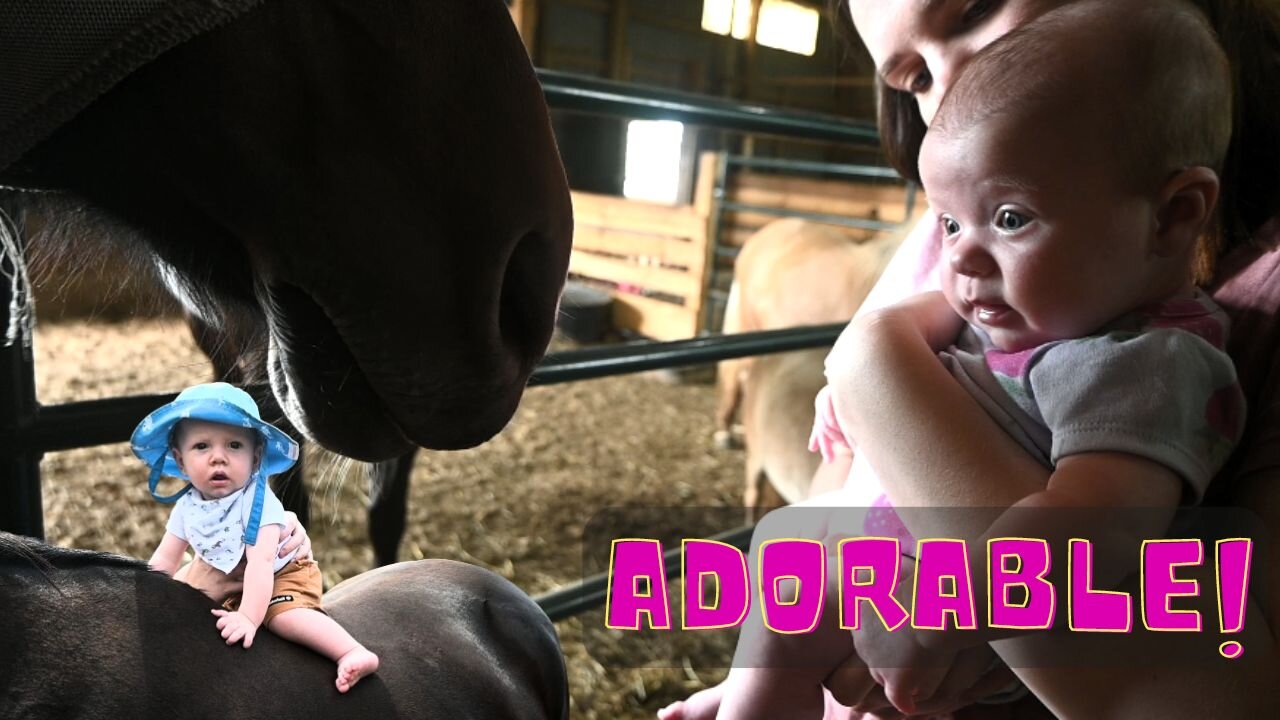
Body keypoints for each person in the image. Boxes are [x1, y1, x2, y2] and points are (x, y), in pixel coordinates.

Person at [661, 3, 1241, 718]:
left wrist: (948, 611)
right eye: (949, 222)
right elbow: (872, 391)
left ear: (1176, 216)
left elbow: (1094, 527)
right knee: (786, 543)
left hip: (956, 602)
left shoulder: (1147, 365)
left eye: (1009, 218)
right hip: (898, 562)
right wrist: (850, 388)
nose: (960, 254)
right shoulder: (1029, 298)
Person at [135, 382, 380, 694]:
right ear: (180, 459)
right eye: (201, 446)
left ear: (256, 456)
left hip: (281, 574)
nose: (218, 458)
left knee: (284, 618)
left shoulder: (258, 504)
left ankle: (350, 651)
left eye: (234, 445)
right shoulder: (188, 506)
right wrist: (144, 594)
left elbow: (261, 564)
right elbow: (165, 558)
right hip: (234, 580)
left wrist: (249, 619)